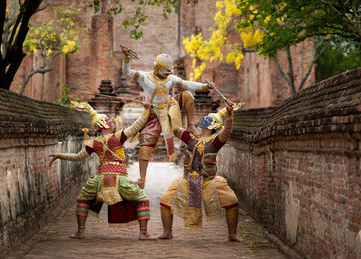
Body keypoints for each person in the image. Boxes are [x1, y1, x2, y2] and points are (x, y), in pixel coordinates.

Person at [49, 100, 156, 240]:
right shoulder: (118, 137)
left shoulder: (93, 143)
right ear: (106, 125)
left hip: (101, 180)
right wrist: (146, 110)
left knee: (83, 199)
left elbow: (78, 157)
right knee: (143, 200)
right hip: (120, 179)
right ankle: (143, 233)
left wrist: (60, 155)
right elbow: (136, 126)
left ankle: (80, 232)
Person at [120, 44, 214, 189]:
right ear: (157, 67)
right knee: (145, 146)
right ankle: (142, 180)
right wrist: (126, 57)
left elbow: (186, 84)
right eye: (164, 71)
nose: (166, 74)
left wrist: (204, 87)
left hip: (170, 109)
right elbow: (127, 72)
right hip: (152, 114)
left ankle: (190, 125)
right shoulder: (144, 77)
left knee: (187, 95)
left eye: (168, 72)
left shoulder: (170, 78)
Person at [157, 99, 242, 242]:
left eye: (208, 120)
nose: (204, 121)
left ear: (213, 125)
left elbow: (227, 131)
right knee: (164, 200)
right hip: (187, 179)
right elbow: (176, 128)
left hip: (209, 180)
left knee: (232, 201)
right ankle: (167, 232)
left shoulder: (216, 141)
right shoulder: (191, 138)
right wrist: (166, 110)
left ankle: (232, 234)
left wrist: (229, 113)